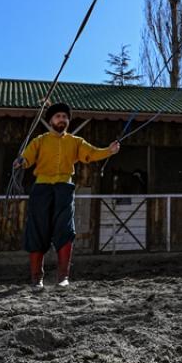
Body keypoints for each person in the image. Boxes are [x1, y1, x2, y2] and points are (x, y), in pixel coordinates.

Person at [14, 102, 119, 290]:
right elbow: (27, 158)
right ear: (51, 120)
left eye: (64, 117)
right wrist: (21, 162)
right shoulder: (39, 140)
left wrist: (109, 151)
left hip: (64, 188)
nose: (61, 119)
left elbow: (92, 153)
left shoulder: (76, 141)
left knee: (65, 230)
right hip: (41, 189)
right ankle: (36, 278)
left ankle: (63, 277)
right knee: (37, 230)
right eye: (58, 116)